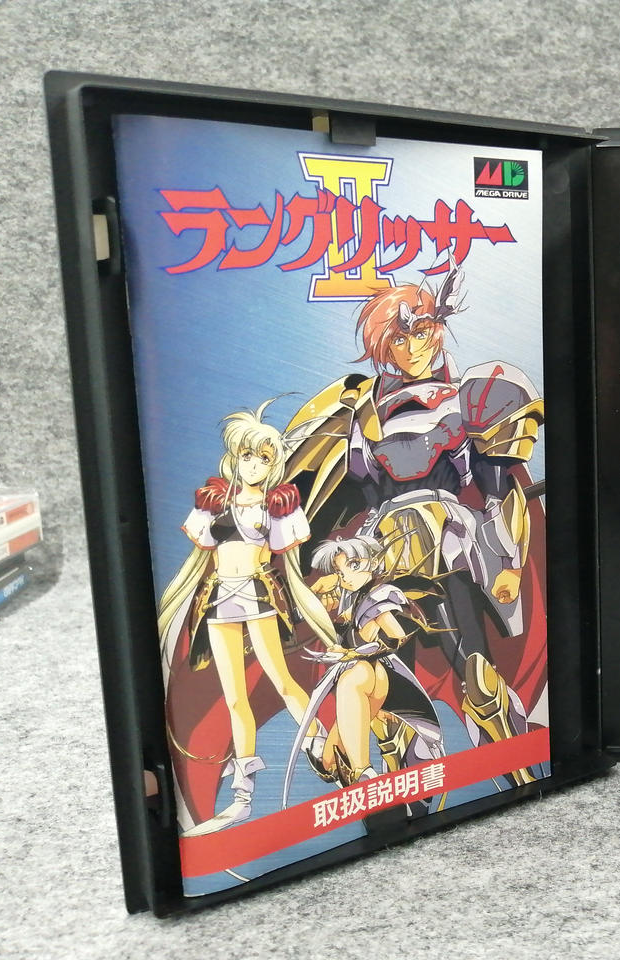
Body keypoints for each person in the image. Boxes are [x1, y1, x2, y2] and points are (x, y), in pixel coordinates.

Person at [282, 261, 547, 778]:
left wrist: (509, 562)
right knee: (376, 682)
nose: (412, 348)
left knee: (477, 678)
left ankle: (518, 772)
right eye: (399, 339)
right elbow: (353, 495)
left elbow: (498, 489)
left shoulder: (473, 396)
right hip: (380, 549)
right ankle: (384, 775)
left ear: (438, 329)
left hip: (448, 540)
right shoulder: (361, 411)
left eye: (421, 332)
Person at [158, 401, 337, 835]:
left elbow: (284, 555)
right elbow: (202, 550)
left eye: (263, 458)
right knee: (235, 697)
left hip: (257, 594)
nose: (254, 465)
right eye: (247, 456)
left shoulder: (278, 504)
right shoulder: (215, 500)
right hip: (220, 597)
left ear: (273, 465)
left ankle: (318, 740)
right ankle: (242, 796)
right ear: (235, 456)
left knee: (280, 680)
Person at [281, 534, 445, 798]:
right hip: (368, 678)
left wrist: (352, 653)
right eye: (340, 571)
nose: (346, 576)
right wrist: (317, 594)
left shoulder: (377, 597)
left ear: (374, 561)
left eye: (353, 565)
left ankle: (362, 772)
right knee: (336, 747)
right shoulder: (356, 600)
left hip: (377, 674)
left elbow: (396, 636)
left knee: (354, 677)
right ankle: (332, 762)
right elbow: (317, 621)